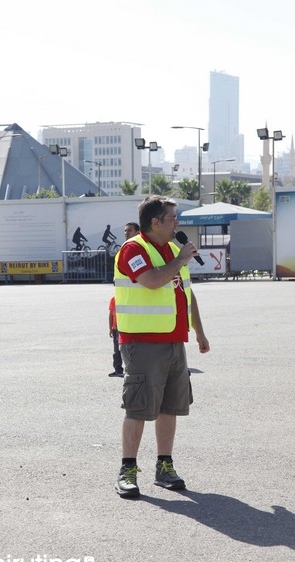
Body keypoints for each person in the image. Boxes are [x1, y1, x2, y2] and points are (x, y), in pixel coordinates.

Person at [113, 196, 210, 498]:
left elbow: (185, 293)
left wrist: (199, 332)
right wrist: (181, 259)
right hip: (142, 343)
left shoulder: (170, 250)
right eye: (172, 218)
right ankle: (127, 470)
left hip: (173, 339)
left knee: (170, 407)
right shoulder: (133, 249)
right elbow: (153, 281)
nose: (177, 223)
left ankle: (164, 466)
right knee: (139, 407)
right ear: (155, 222)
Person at [108, 222, 139, 378]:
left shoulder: (139, 250)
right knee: (119, 348)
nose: (126, 233)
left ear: (138, 231)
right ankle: (120, 368)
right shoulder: (124, 250)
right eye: (125, 231)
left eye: (129, 230)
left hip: (136, 316)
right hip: (123, 316)